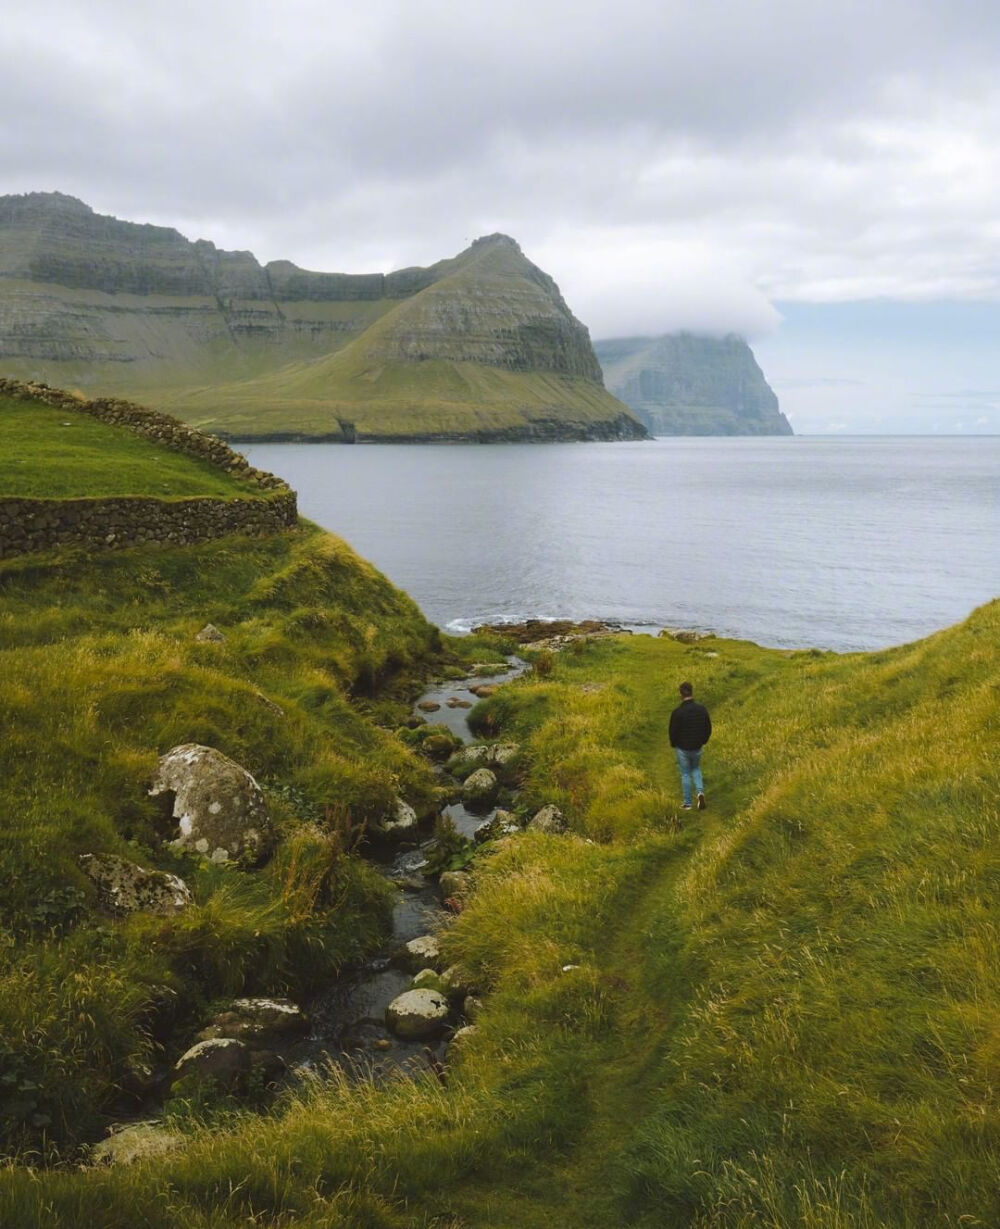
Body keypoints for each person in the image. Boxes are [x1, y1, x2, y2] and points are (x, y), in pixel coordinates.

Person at [669, 681, 711, 810]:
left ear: (681, 694)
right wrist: (703, 741)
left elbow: (673, 730)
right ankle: (700, 792)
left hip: (683, 748)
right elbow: (708, 727)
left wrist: (673, 743)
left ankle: (687, 803)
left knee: (685, 773)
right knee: (696, 769)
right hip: (697, 746)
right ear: (692, 691)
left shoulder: (678, 712)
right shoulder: (701, 709)